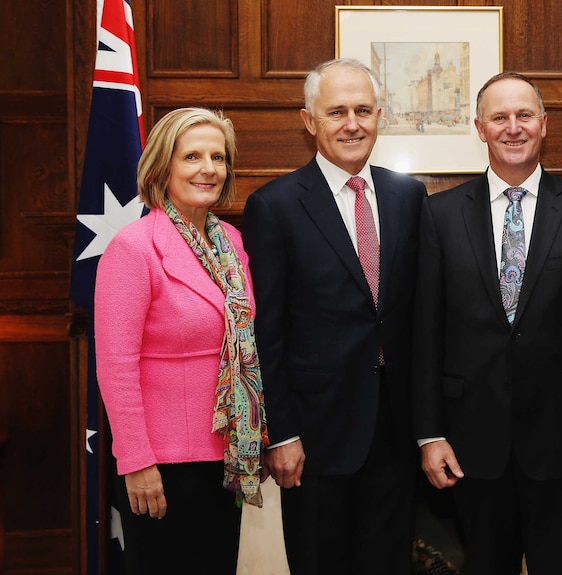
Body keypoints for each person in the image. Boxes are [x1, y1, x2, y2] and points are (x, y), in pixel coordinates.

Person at [411, 71, 562, 575]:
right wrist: (428, 434)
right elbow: (425, 334)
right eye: (499, 117)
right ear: (480, 128)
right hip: (469, 444)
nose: (513, 127)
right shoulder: (439, 213)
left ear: (544, 124)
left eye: (524, 115)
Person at [242, 58, 427, 575]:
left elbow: (416, 314)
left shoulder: (408, 196)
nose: (352, 123)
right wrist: (280, 433)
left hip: (395, 430)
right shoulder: (274, 205)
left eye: (363, 110)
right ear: (309, 121)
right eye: (337, 111)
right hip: (315, 439)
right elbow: (266, 332)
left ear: (380, 116)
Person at [94, 107, 268, 575]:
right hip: (162, 464)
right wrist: (135, 460)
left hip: (227, 457)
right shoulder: (133, 248)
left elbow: (245, 342)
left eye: (218, 156)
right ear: (161, 168)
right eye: (191, 156)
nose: (208, 168)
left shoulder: (230, 241)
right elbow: (115, 365)